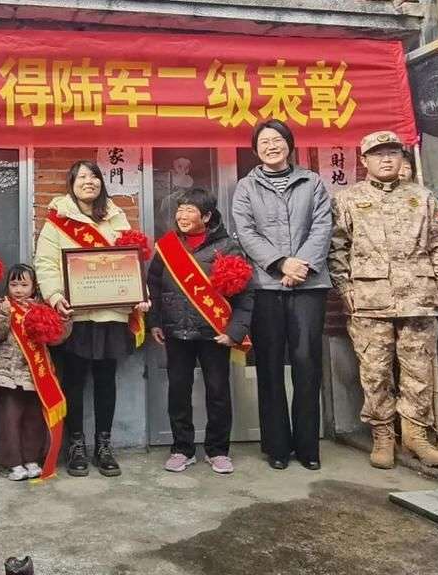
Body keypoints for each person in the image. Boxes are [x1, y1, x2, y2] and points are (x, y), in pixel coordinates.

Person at [329, 130, 438, 469]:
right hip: (370, 301)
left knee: (418, 370)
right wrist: (345, 290)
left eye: (392, 153)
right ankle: (383, 436)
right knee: (375, 371)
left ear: (402, 158)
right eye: (377, 154)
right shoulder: (348, 199)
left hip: (419, 297)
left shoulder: (423, 197)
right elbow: (337, 248)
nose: (386, 159)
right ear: (364, 160)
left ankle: (416, 436)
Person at [33, 160, 150, 477]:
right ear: (71, 184)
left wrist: (140, 293)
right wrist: (56, 296)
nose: (89, 181)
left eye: (94, 176)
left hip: (112, 313)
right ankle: (76, 444)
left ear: (102, 182)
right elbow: (45, 263)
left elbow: (131, 260)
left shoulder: (116, 216)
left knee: (105, 380)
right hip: (77, 315)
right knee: (73, 380)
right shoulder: (58, 221)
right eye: (82, 176)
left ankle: (104, 444)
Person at [231, 119, 332, 471]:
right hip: (265, 287)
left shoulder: (313, 182)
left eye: (278, 140)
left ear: (289, 144)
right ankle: (276, 445)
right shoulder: (246, 187)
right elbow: (246, 232)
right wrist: (279, 264)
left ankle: (308, 447)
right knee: (270, 366)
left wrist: (300, 265)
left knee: (307, 364)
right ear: (255, 149)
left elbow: (322, 226)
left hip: (309, 285)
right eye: (264, 141)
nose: (272, 146)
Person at [147, 188, 253, 474]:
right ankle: (182, 449)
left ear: (206, 216)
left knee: (218, 392)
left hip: (214, 333)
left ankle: (218, 450)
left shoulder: (228, 248)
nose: (182, 215)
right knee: (178, 392)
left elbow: (245, 296)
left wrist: (234, 331)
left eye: (190, 210)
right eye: (180, 210)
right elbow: (153, 286)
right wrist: (155, 321)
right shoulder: (167, 246)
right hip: (175, 332)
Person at [0, 264, 70, 481]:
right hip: (8, 374)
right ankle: (13, 463)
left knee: (34, 420)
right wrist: (3, 315)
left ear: (34, 287)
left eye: (24, 285)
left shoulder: (42, 308)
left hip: (36, 375)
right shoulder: (2, 306)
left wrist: (63, 319)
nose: (19, 289)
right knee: (10, 420)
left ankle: (32, 459)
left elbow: (58, 338)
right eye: (14, 284)